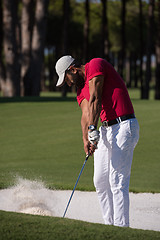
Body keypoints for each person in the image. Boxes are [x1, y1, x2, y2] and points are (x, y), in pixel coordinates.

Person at [55, 55, 139, 227]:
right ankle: (108, 226)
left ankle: (121, 228)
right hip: (106, 129)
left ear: (73, 69)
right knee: (100, 181)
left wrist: (93, 129)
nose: (68, 84)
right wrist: (86, 138)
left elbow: (96, 99)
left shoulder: (95, 65)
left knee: (117, 180)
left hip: (124, 126)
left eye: (67, 79)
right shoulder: (80, 89)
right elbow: (86, 114)